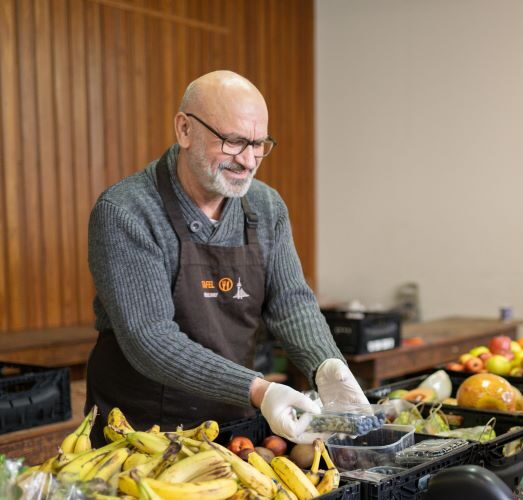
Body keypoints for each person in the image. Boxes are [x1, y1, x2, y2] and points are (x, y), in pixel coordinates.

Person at [85, 71, 366, 445]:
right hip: (139, 432)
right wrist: (260, 390)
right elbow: (150, 338)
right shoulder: (126, 212)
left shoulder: (266, 207)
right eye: (234, 142)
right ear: (185, 130)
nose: (248, 161)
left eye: (259, 144)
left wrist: (327, 365)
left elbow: (291, 302)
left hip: (232, 427)